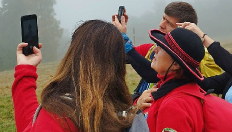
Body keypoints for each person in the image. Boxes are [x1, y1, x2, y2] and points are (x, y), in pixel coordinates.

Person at [12, 20, 142, 132]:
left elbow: (36, 126)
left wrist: (25, 71)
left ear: (73, 56)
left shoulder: (59, 116)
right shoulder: (128, 118)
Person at [113, 1, 222, 100]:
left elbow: (152, 75)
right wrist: (116, 35)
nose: (161, 24)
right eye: (163, 18)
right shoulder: (152, 48)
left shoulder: (197, 56)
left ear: (185, 30)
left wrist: (124, 39)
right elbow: (123, 56)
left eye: (169, 23)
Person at [144, 28, 206, 131]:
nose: (155, 49)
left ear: (176, 64)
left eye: (162, 48)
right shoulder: (183, 90)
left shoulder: (173, 106)